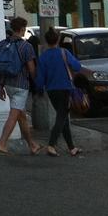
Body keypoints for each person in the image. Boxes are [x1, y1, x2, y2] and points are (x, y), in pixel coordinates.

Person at [34, 28, 87, 157]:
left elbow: (40, 77)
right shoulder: (64, 53)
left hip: (52, 90)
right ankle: (51, 145)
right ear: (57, 40)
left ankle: (71, 147)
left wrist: (39, 89)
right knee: (62, 117)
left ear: (46, 41)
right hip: (65, 88)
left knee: (63, 118)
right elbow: (77, 66)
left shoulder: (43, 57)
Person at [0, 15, 43, 155]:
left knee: (21, 116)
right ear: (22, 29)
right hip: (21, 86)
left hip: (8, 85)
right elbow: (32, 68)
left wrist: (0, 86)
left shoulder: (2, 44)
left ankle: (32, 145)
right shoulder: (26, 46)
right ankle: (2, 143)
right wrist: (37, 83)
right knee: (14, 115)